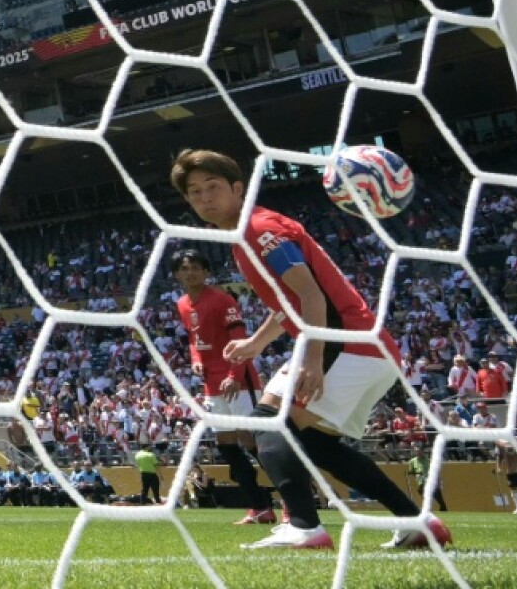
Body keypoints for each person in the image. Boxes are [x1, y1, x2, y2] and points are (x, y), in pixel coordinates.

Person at [170, 149, 451, 550]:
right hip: (365, 347)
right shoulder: (245, 235)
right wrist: (256, 343)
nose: (204, 198)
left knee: (270, 422)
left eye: (212, 187)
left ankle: (304, 526)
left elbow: (310, 294)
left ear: (238, 188)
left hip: (346, 343)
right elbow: (289, 302)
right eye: (194, 193)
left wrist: (314, 359)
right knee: (316, 444)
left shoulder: (257, 228)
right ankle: (416, 522)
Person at [171, 248, 274, 525]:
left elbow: (240, 338)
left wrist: (234, 374)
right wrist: (195, 360)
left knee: (252, 440)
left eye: (195, 267)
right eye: (184, 268)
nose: (190, 272)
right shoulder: (182, 304)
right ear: (177, 275)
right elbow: (194, 339)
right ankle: (259, 507)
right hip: (211, 384)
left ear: (206, 272)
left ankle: (292, 503)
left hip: (238, 381)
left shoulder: (222, 300)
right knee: (226, 444)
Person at [407, 443, 447, 512]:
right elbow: (411, 472)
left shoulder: (429, 460)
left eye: (419, 451)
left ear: (422, 451)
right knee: (426, 495)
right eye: (416, 452)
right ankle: (428, 509)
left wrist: (438, 481)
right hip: (421, 482)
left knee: (439, 497)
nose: (418, 453)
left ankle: (443, 508)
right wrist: (414, 474)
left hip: (431, 481)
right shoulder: (412, 461)